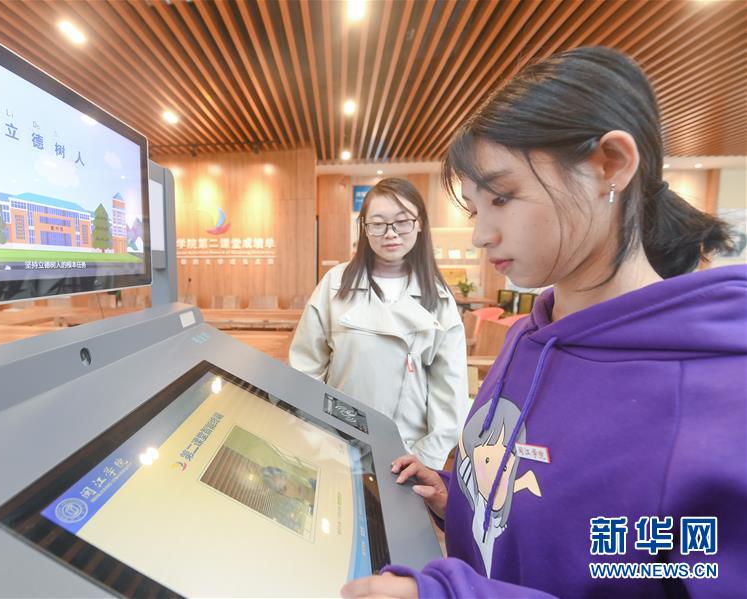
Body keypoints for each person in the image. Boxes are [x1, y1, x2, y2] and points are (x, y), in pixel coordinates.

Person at [341, 46, 745, 598]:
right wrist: (459, 502)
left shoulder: (718, 399)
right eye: (476, 209)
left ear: (610, 165)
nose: (482, 235)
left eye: (502, 198)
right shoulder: (529, 338)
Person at [289, 177, 469, 470]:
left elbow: (450, 388)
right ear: (364, 228)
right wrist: (314, 437)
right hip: (336, 443)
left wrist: (426, 458)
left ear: (420, 223)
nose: (391, 233)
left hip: (408, 452)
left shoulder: (438, 296)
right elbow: (305, 368)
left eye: (402, 222)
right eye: (378, 223)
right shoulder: (335, 284)